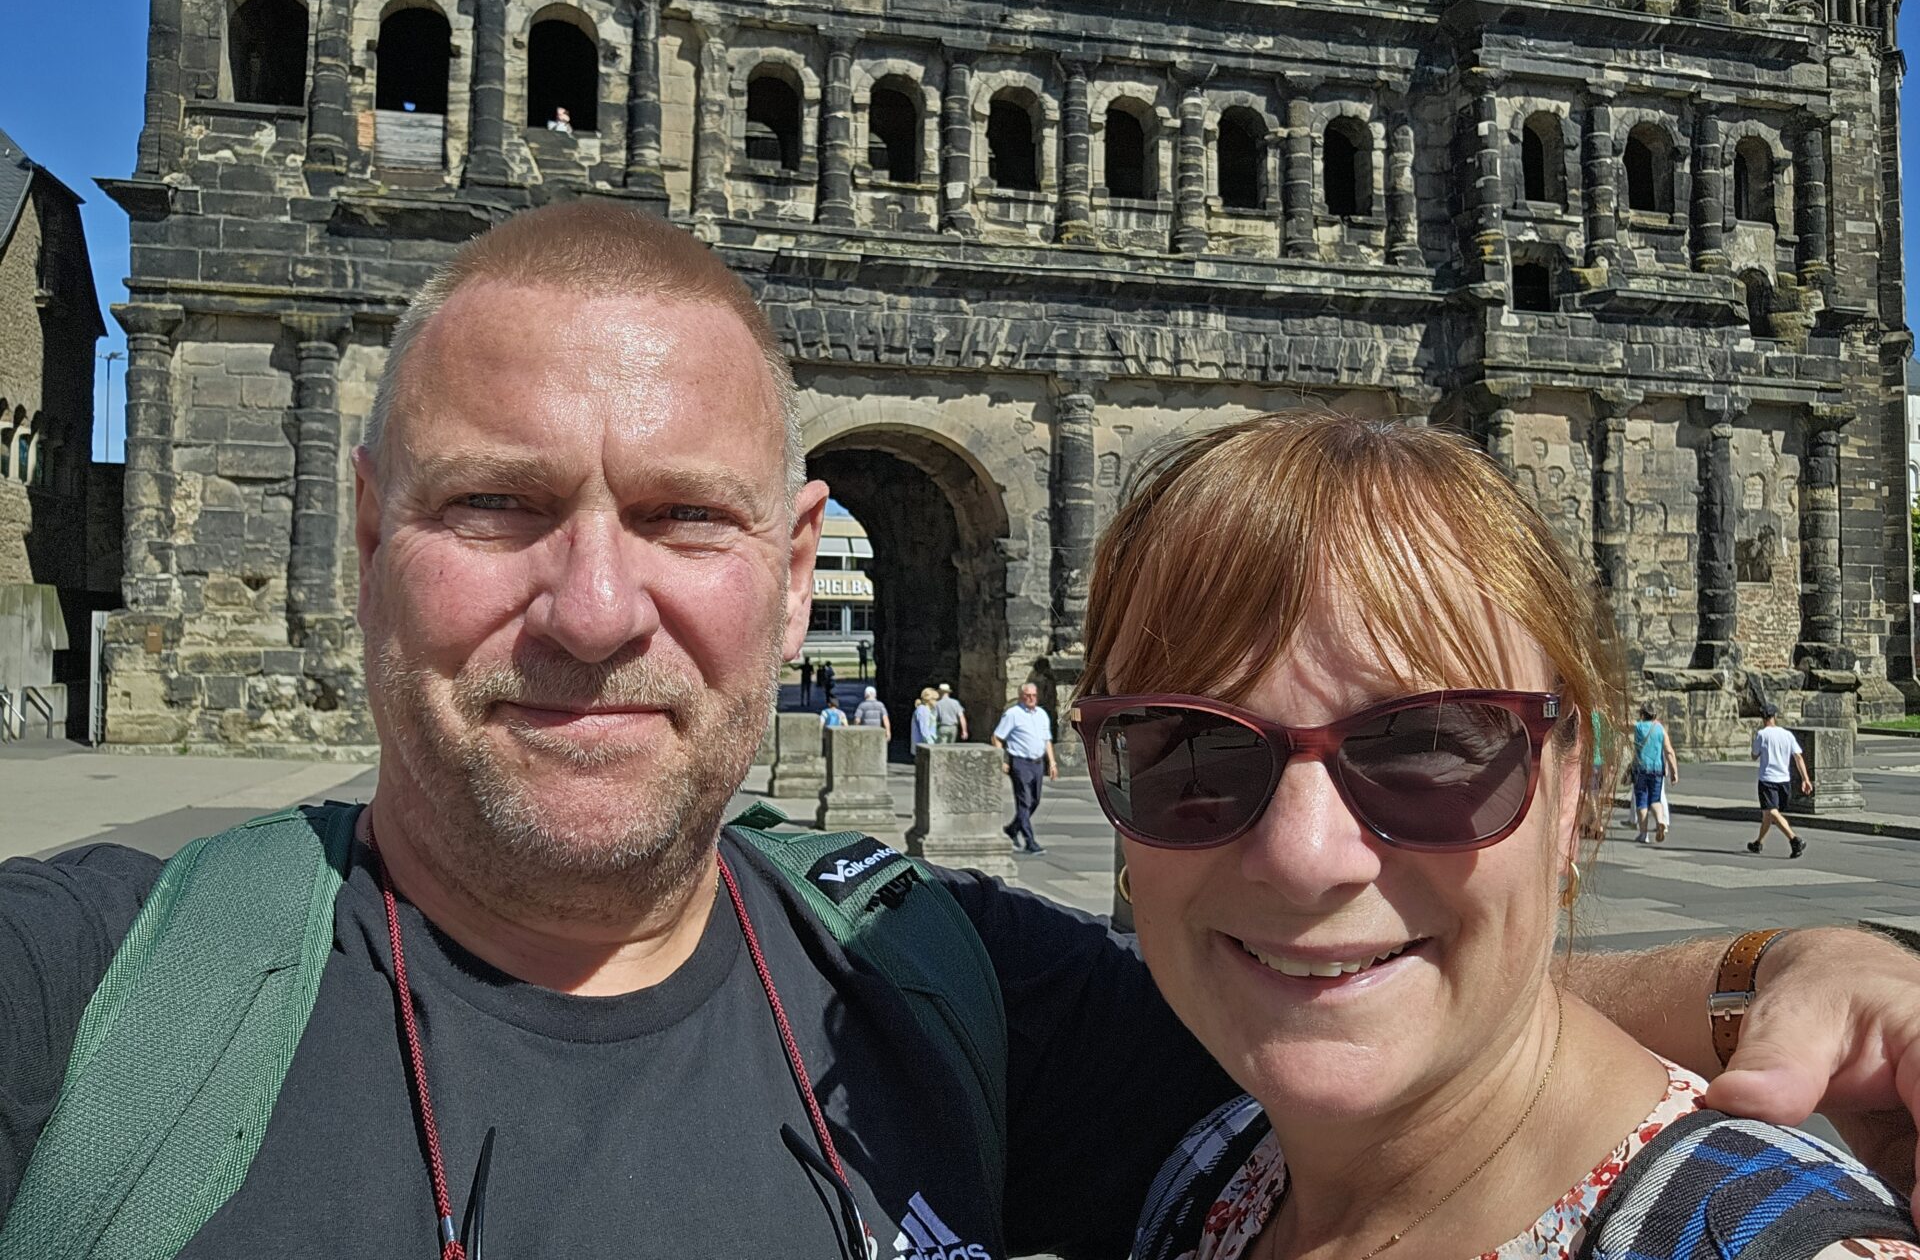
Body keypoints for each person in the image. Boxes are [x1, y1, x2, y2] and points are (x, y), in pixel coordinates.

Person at [5, 205, 1920, 1257]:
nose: (595, 611)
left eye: (682, 514)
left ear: (791, 553)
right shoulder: (88, 1006)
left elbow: (1388, 1010)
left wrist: (1792, 973)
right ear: (362, 536)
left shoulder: (941, 989)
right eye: (492, 508)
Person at [1071, 412, 1920, 1260]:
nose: (1303, 857)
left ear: (1572, 789)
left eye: (1426, 744)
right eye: (1188, 744)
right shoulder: (1209, 1170)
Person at [992, 683, 1057, 855]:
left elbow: (1046, 740)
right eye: (1027, 695)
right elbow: (997, 737)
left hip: (1037, 762)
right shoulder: (1013, 714)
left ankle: (1012, 830)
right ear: (1021, 696)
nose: (1031, 698)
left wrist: (1052, 762)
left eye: (1034, 695)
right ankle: (1030, 841)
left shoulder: (1042, 714)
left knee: (1034, 801)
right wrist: (1002, 759)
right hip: (1020, 762)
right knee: (1024, 802)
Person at [1750, 703, 1814, 858]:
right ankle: (1758, 843)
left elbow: (1754, 755)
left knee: (1772, 811)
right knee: (1769, 814)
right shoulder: (1787, 735)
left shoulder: (1762, 735)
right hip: (1784, 780)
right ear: (1774, 717)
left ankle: (1794, 839)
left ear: (1762, 718)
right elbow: (1798, 756)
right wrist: (1805, 779)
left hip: (1768, 779)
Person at [1629, 701, 1679, 844]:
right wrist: (1674, 771)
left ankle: (1643, 834)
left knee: (1642, 801)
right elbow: (1669, 751)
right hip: (1657, 770)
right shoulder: (1660, 729)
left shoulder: (1638, 727)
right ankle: (1660, 821)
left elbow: (1621, 725)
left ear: (1642, 714)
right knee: (1655, 800)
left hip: (1641, 769)